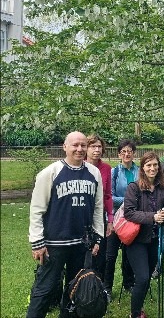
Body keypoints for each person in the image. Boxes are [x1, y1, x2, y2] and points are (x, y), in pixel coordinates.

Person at [26, 132, 104, 318]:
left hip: (81, 243)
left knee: (74, 288)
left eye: (83, 145)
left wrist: (97, 237)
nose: (79, 149)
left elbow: (98, 208)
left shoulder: (94, 173)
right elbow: (37, 209)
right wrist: (37, 241)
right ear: (65, 146)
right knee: (45, 289)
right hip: (54, 244)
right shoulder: (50, 173)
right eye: (75, 145)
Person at [124, 152, 164, 318]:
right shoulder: (134, 187)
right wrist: (152, 217)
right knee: (143, 277)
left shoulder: (163, 189)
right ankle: (135, 314)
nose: (152, 168)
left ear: (159, 167)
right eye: (148, 165)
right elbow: (129, 213)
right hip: (136, 239)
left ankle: (140, 308)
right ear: (143, 168)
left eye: (155, 165)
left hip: (154, 239)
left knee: (148, 275)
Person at [104, 139, 138, 300]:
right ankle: (107, 288)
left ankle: (128, 283)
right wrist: (127, 201)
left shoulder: (139, 171)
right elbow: (109, 196)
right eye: (123, 151)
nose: (126, 154)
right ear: (119, 154)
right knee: (110, 256)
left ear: (133, 153)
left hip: (132, 219)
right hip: (116, 219)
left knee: (128, 254)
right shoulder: (114, 172)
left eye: (129, 151)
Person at [85, 134, 114, 283]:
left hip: (100, 216)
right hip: (82, 216)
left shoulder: (106, 168)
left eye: (99, 146)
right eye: (93, 146)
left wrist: (110, 220)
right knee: (82, 254)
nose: (96, 150)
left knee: (100, 254)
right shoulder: (80, 166)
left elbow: (108, 195)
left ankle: (98, 289)